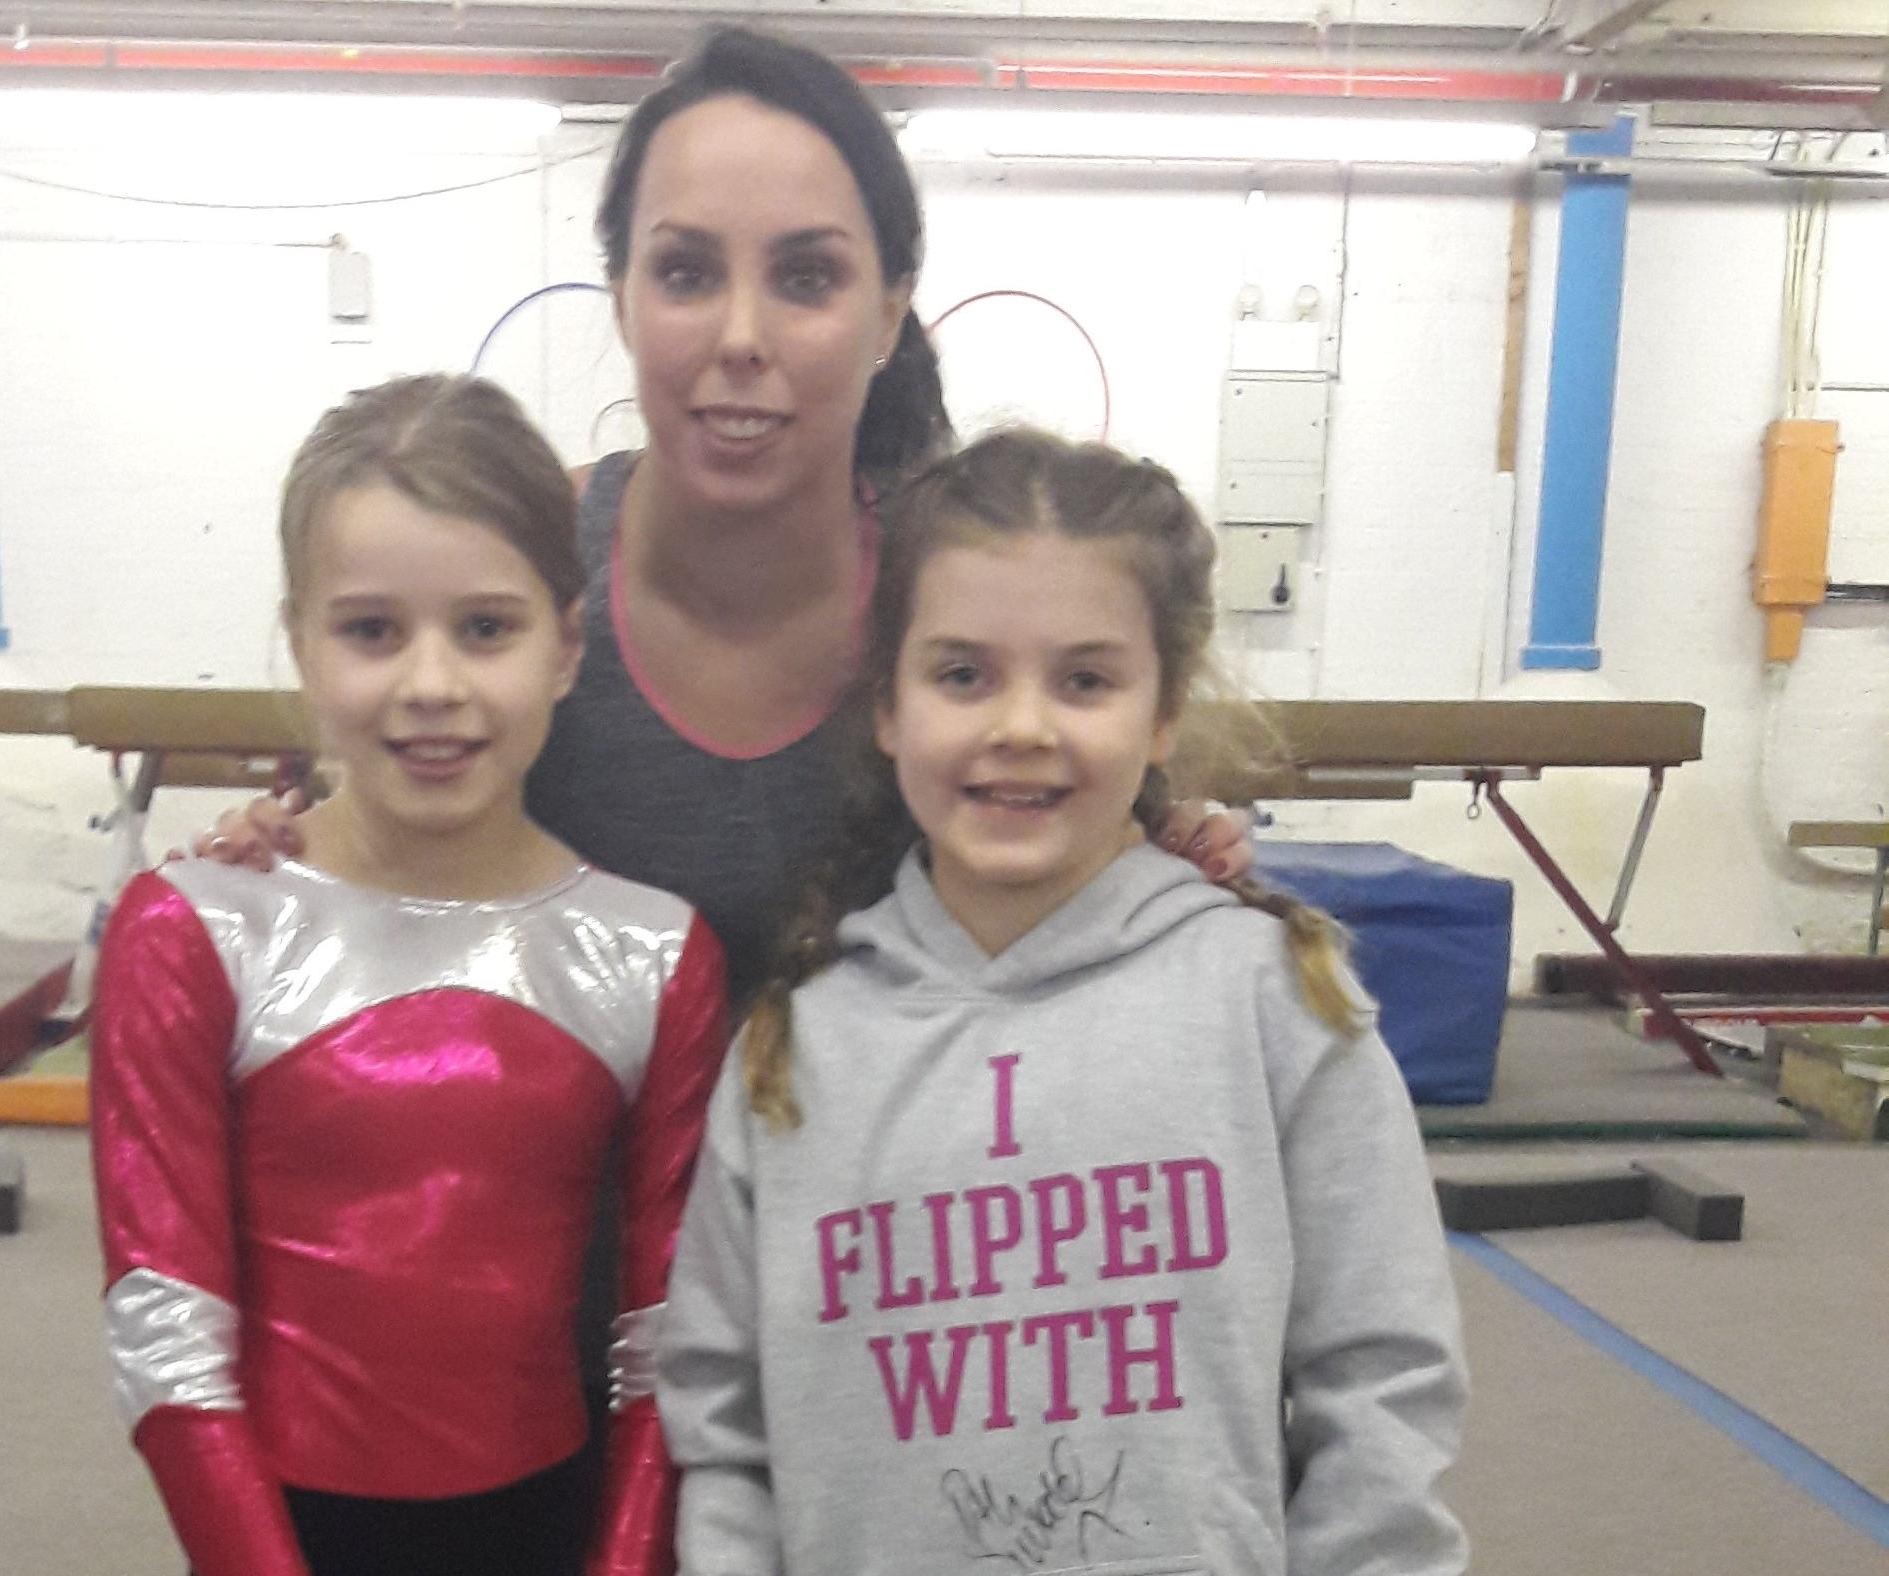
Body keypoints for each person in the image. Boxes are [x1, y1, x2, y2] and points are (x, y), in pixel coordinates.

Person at [194, 26, 1252, 1007]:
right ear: (622, 297)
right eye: (688, 271)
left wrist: (1169, 850)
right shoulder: (511, 571)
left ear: (889, 312)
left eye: (806, 276)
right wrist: (263, 852)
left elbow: (1088, 811)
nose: (742, 335)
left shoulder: (961, 588)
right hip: (554, 1201)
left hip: (880, 1195)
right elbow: (358, 829)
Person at [657, 430, 1469, 1576]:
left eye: (1085, 679)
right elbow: (722, 1420)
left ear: (1166, 708)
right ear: (886, 703)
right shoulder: (798, 1049)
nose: (1023, 725)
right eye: (962, 674)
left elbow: (1384, 1385)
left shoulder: (1274, 1007)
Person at [90, 374, 730, 1576]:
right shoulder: (196, 930)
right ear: (303, 642)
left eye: (485, 627)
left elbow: (666, 1338)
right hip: (280, 1532)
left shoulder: (651, 953)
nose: (431, 684)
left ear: (567, 642)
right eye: (372, 629)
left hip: (556, 1522)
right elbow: (165, 1332)